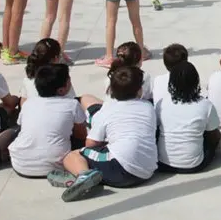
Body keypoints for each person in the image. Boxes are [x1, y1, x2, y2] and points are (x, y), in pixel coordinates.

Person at [61, 65, 157, 201]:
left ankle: (84, 175)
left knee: (72, 155)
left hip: (121, 169)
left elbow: (90, 143)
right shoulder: (148, 107)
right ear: (140, 90)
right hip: (147, 170)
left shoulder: (107, 110)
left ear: (110, 89)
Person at [9, 64, 87, 179]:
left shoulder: (28, 104)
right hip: (55, 164)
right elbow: (81, 135)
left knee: (17, 133)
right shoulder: (72, 104)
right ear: (62, 89)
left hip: (20, 164)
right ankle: (83, 174)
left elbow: (21, 126)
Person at [157, 61, 221, 173]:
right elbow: (213, 136)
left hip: (163, 163)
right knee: (213, 132)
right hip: (194, 165)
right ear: (196, 81)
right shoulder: (205, 105)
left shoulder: (162, 103)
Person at [21, 38, 76, 103]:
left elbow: (23, 102)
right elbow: (72, 99)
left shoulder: (27, 79)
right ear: (56, 58)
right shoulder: (62, 79)